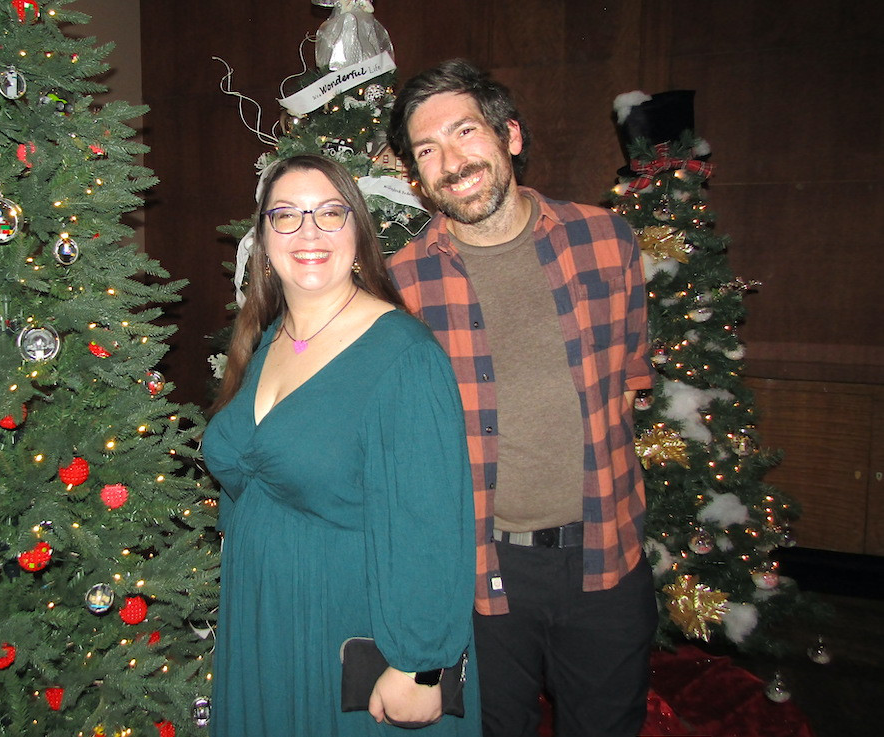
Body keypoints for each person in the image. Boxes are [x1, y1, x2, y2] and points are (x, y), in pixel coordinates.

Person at [385, 60, 657, 737]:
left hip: (606, 556)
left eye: (464, 131)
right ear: (415, 176)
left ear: (508, 134)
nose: (452, 162)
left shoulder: (606, 241)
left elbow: (627, 390)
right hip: (480, 573)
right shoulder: (399, 285)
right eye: (427, 150)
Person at [203, 154, 480, 735]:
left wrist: (421, 666)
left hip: (348, 621)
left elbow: (432, 522)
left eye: (330, 213)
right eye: (286, 215)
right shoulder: (271, 336)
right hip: (265, 617)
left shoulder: (404, 354)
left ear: (358, 234)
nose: (309, 232)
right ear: (264, 240)